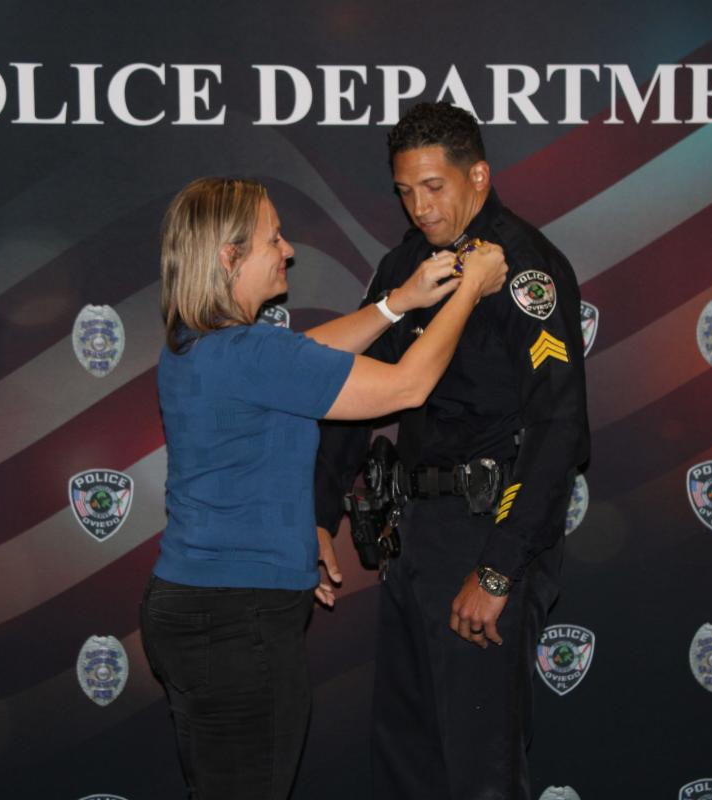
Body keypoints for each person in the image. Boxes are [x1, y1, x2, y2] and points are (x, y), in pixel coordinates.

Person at [141, 176, 508, 800]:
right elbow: (407, 386)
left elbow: (304, 353)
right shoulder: (251, 353)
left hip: (196, 608)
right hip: (238, 623)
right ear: (229, 256)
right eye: (273, 239)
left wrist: (398, 302)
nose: (287, 250)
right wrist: (470, 288)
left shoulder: (197, 345)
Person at [314, 102, 591, 799]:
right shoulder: (405, 262)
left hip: (487, 526)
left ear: (478, 176)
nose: (420, 207)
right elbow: (356, 387)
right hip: (413, 534)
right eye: (405, 190)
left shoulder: (525, 267)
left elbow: (559, 428)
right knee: (408, 760)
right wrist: (320, 513)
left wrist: (498, 568)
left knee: (479, 769)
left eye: (434, 186)